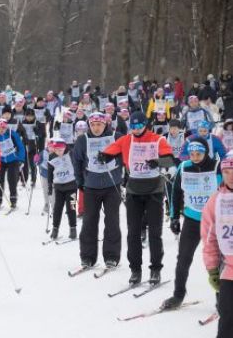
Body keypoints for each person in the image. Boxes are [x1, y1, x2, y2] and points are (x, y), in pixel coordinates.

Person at [99, 111, 175, 285]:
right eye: (133, 127)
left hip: (154, 189)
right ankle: (135, 270)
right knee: (133, 233)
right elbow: (111, 150)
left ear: (145, 125)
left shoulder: (158, 139)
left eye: (139, 126)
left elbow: (170, 160)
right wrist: (104, 155)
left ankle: (155, 270)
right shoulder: (126, 139)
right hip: (134, 189)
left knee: (155, 233)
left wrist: (159, 162)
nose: (136, 129)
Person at [161, 137, 220, 310]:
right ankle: (178, 295)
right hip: (192, 220)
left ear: (205, 152)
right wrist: (173, 217)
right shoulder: (184, 167)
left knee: (218, 262)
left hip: (214, 222)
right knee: (183, 259)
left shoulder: (217, 167)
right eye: (192, 154)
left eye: (198, 153)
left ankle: (221, 298)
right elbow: (176, 193)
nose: (194, 157)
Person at [72, 112, 123, 268]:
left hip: (112, 186)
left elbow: (124, 156)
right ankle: (87, 257)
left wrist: (122, 175)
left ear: (105, 124)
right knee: (89, 222)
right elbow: (78, 162)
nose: (96, 128)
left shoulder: (116, 136)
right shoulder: (82, 139)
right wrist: (80, 182)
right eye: (93, 125)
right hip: (91, 186)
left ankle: (111, 256)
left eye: (99, 124)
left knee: (112, 222)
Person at [200, 153, 233, 338]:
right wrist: (212, 269)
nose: (231, 175)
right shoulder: (216, 201)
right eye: (227, 171)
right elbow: (209, 238)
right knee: (228, 320)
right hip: (230, 270)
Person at [47, 138, 78, 240]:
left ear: (65, 148)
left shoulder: (71, 154)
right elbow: (50, 174)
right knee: (57, 209)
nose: (59, 152)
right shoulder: (51, 158)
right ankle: (55, 229)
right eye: (57, 150)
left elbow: (78, 165)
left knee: (71, 208)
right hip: (59, 187)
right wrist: (49, 186)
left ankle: (73, 229)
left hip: (71, 186)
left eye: (61, 150)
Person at [0, 118, 25, 210]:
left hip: (13, 160)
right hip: (1, 161)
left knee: (12, 181)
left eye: (3, 127)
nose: (1, 130)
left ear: (6, 127)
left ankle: (13, 201)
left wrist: (21, 160)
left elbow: (20, 147)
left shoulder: (12, 134)